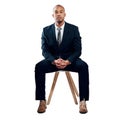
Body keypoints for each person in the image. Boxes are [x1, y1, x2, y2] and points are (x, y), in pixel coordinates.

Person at [35, 4, 89, 114]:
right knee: (39, 67)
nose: (58, 14)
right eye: (56, 12)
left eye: (61, 12)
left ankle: (83, 101)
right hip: (53, 61)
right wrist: (53, 61)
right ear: (53, 15)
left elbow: (78, 50)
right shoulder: (46, 30)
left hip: (70, 61)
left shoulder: (74, 29)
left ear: (65, 14)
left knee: (84, 66)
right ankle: (42, 101)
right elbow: (44, 50)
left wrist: (68, 61)